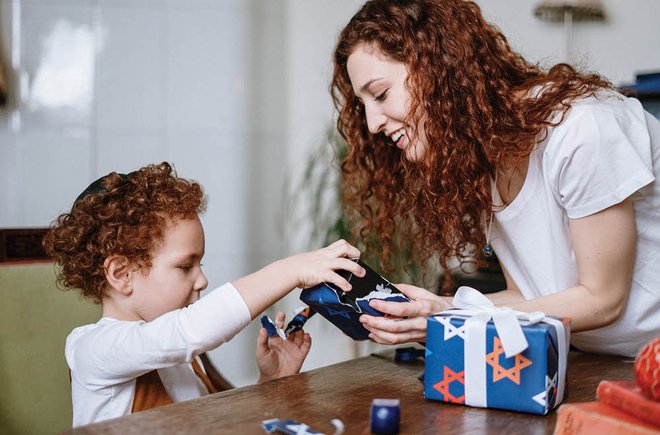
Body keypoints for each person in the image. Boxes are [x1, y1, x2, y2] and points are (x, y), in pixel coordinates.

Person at [330, 0, 660, 357]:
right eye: (363, 105)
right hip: (595, 365)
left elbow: (603, 299)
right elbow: (527, 297)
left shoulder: (582, 128)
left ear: (438, 68)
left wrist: (453, 318)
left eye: (380, 94)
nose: (372, 124)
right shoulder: (481, 159)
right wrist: (440, 310)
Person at [43, 162, 364, 427]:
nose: (202, 280)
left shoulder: (185, 361)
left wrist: (270, 382)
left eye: (200, 263)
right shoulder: (92, 350)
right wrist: (292, 270)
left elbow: (219, 425)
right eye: (185, 266)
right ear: (121, 274)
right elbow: (188, 332)